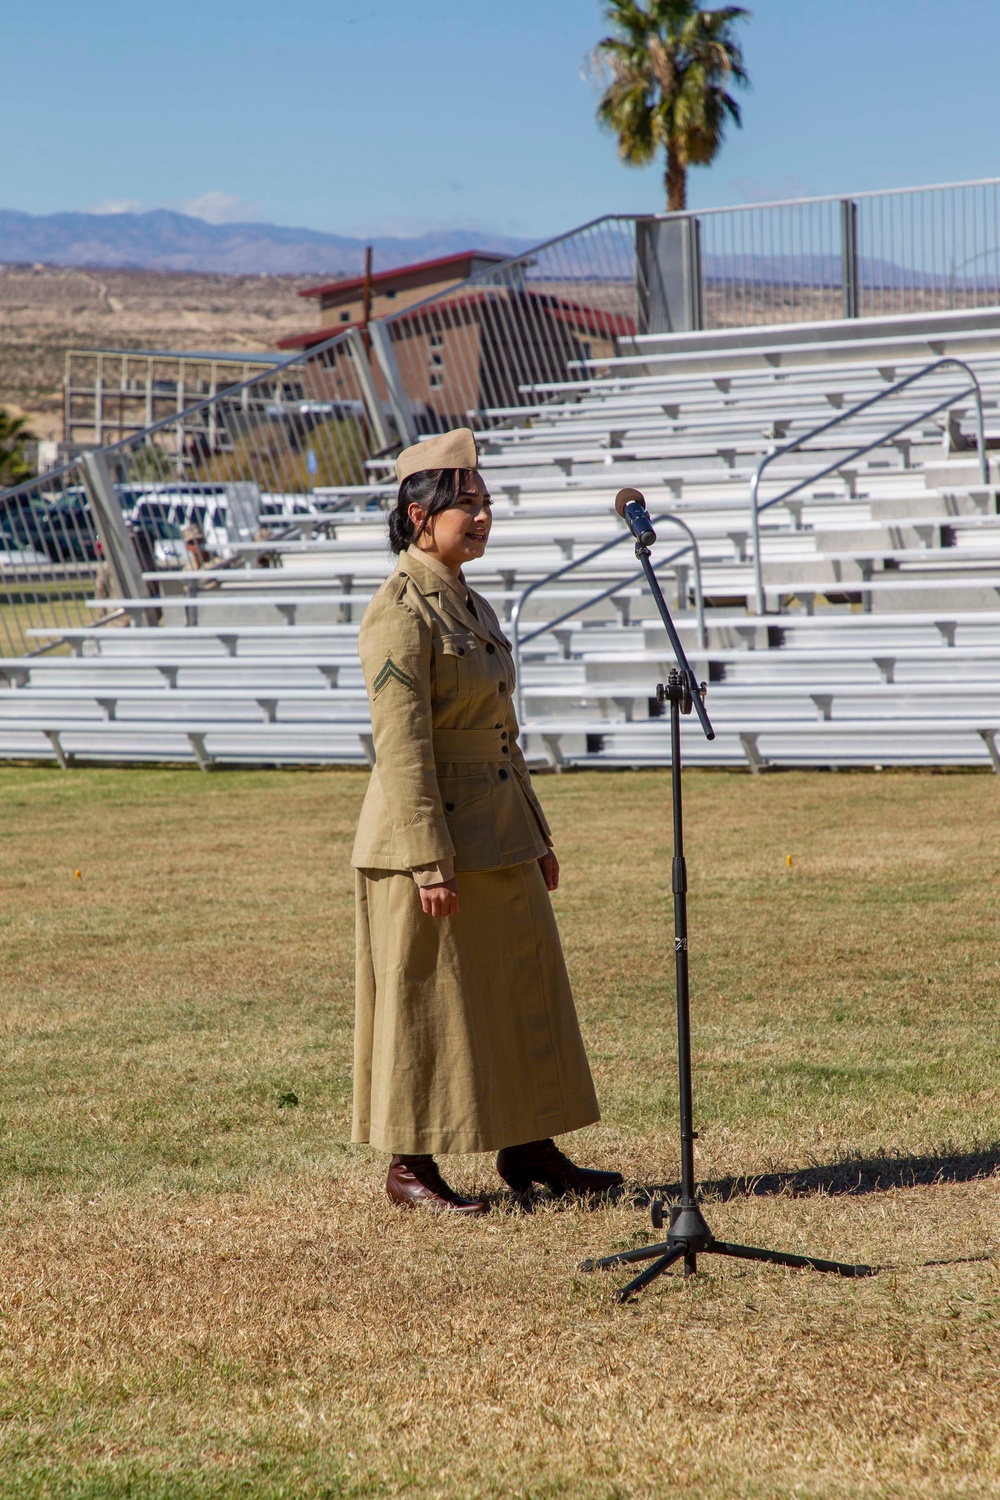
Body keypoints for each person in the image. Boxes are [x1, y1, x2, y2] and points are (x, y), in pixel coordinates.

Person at [351, 427, 623, 1215]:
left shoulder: (468, 599)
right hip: (430, 840)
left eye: (485, 504)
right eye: (463, 504)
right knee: (429, 1000)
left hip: (499, 830)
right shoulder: (398, 612)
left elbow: (501, 732)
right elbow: (403, 751)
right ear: (416, 516)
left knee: (520, 988)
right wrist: (427, 863)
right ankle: (411, 1166)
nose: (480, 518)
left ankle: (530, 1147)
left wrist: (536, 836)